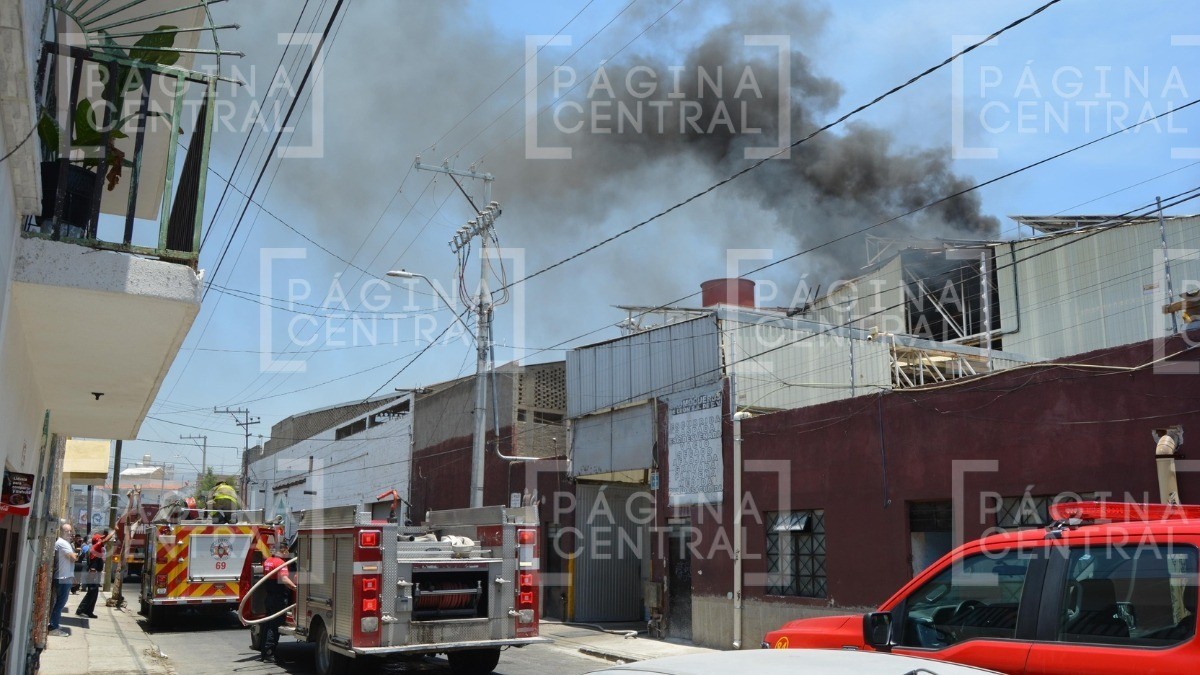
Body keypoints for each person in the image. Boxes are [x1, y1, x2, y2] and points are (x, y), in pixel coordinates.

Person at [259, 542, 297, 663]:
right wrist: (295, 588)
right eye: (286, 551)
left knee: (267, 624)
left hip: (269, 597)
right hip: (278, 598)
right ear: (284, 550)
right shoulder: (281, 562)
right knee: (274, 626)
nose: (287, 553)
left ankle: (264, 652)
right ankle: (270, 653)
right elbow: (284, 579)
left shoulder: (268, 561)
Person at [75, 529, 113, 619]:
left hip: (95, 574)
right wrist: (114, 531)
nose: (102, 541)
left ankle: (89, 611)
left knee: (94, 593)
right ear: (98, 541)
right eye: (100, 539)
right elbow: (106, 540)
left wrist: (107, 533)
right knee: (91, 592)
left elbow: (104, 537)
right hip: (93, 574)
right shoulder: (96, 547)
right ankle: (80, 610)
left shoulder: (97, 546)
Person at [49, 523, 77, 637]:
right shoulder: (63, 543)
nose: (69, 533)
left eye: (70, 531)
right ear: (61, 531)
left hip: (64, 577)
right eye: (67, 531)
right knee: (60, 604)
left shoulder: (63, 543)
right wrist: (76, 554)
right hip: (63, 578)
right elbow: (73, 558)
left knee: (59, 603)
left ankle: (54, 624)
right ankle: (53, 627)